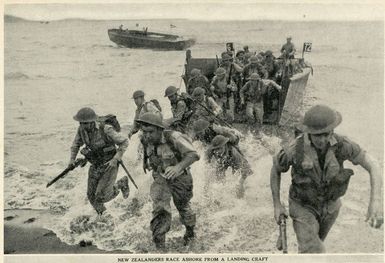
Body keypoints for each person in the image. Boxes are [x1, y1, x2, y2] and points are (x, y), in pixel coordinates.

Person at [270, 105, 383, 253]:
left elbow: (373, 165)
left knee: (314, 246)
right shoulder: (295, 149)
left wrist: (375, 201)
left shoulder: (342, 145)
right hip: (303, 206)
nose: (322, 140)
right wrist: (277, 205)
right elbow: (276, 170)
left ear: (332, 131)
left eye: (326, 134)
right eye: (317, 135)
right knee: (314, 250)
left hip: (330, 208)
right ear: (309, 132)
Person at [136, 112, 200, 251]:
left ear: (160, 129)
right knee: (160, 207)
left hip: (180, 177)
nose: (147, 135)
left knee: (183, 207)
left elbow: (194, 155)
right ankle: (160, 245)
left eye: (151, 132)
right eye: (144, 131)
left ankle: (190, 231)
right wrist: (145, 162)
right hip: (161, 177)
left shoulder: (174, 137)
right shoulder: (145, 138)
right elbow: (147, 151)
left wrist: (178, 167)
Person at [69, 107, 129, 215]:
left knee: (101, 197)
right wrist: (72, 160)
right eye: (80, 123)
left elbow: (124, 142)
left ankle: (121, 183)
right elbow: (76, 144)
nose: (82, 126)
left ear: (92, 122)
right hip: (95, 163)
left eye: (85, 123)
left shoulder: (105, 129)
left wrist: (116, 159)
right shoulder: (81, 130)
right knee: (91, 195)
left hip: (109, 163)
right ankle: (104, 216)